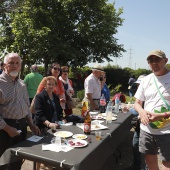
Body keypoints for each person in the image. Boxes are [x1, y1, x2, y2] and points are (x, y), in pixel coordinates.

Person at [0, 53, 40, 170]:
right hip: (4, 129)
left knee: (17, 160)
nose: (14, 66)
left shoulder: (21, 83)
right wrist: (7, 128)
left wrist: (31, 123)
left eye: (17, 63)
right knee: (3, 162)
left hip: (22, 126)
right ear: (4, 66)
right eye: (11, 63)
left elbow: (26, 106)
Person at [134, 50, 170, 170]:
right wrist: (142, 112)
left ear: (165, 61)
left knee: (167, 164)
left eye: (157, 60)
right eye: (151, 61)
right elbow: (137, 103)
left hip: (167, 131)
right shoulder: (145, 80)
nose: (154, 63)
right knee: (150, 162)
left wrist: (162, 115)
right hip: (147, 130)